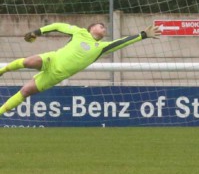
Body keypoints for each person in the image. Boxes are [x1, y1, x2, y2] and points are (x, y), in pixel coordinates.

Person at [0, 23, 161, 115]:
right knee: (28, 62)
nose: (104, 29)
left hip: (56, 76)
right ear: (91, 28)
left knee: (26, 91)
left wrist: (143, 35)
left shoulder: (101, 47)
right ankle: (3, 70)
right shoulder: (79, 32)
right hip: (53, 59)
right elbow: (57, 26)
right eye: (101, 26)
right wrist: (37, 32)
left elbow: (122, 42)